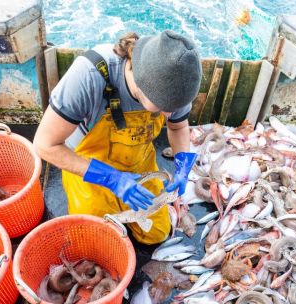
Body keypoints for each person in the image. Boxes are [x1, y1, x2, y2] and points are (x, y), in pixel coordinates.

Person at [33, 30, 202, 244]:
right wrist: (112, 179)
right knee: (93, 240)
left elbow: (178, 127)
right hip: (89, 167)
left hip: (138, 162)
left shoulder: (177, 85)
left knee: (156, 234)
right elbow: (44, 145)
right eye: (162, 108)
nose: (169, 114)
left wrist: (182, 165)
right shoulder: (90, 74)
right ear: (140, 84)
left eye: (175, 107)